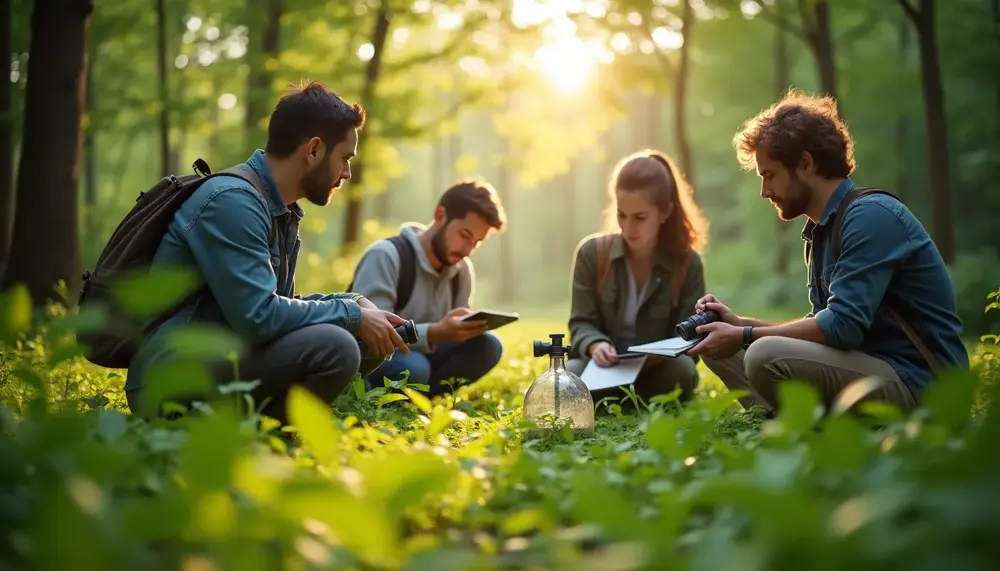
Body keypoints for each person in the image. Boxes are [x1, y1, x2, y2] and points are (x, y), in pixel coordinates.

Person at [124, 81, 410, 423]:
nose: (347, 173)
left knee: (359, 334)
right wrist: (349, 314)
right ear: (315, 150)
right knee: (338, 344)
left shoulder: (278, 210)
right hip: (170, 379)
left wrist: (356, 306)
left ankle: (256, 436)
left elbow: (276, 306)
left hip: (225, 358)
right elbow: (261, 317)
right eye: (345, 158)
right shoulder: (232, 202)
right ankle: (258, 443)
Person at [687, 88, 969, 415]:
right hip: (870, 368)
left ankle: (798, 419)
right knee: (716, 346)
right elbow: (820, 327)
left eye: (769, 175)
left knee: (763, 354)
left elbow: (841, 327)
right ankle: (788, 420)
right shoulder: (821, 233)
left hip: (922, 383)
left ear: (806, 163)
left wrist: (745, 334)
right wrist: (739, 325)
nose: (765, 192)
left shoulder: (870, 216)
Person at [567, 149, 710, 404]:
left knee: (683, 372)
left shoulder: (687, 264)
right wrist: (595, 345)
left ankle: (612, 399)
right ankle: (621, 397)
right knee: (565, 379)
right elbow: (581, 322)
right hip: (601, 368)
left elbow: (692, 335)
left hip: (658, 371)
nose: (628, 228)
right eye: (622, 215)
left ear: (665, 212)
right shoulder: (592, 253)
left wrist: (657, 356)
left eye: (640, 218)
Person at [349, 178, 508, 395]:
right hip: (379, 357)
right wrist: (435, 333)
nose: (468, 250)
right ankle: (387, 395)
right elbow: (373, 338)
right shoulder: (386, 255)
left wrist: (465, 329)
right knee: (414, 367)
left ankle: (425, 398)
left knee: (489, 345)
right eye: (465, 236)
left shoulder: (461, 270)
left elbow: (455, 333)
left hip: (426, 356)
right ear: (440, 215)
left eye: (477, 243)